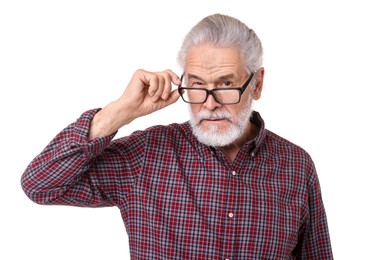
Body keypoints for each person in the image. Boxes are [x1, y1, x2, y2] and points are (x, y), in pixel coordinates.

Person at [21, 13, 333, 259]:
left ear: (257, 84)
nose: (209, 104)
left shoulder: (296, 166)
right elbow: (40, 185)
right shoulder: (146, 154)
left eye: (225, 84)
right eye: (196, 85)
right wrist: (120, 112)